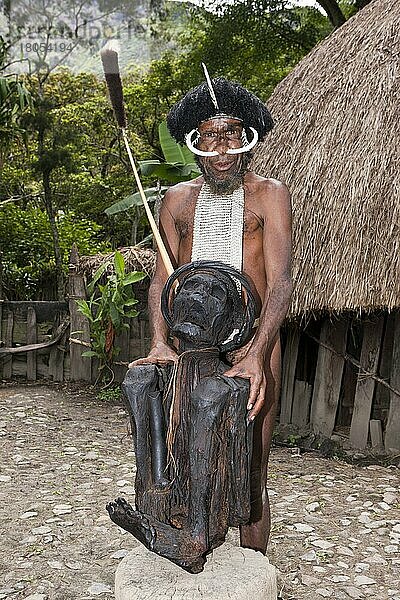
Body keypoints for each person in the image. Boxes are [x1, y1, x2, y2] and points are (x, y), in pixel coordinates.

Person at [130, 74, 293, 554]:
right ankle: (187, 545)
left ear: (246, 140)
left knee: (251, 466)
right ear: (194, 142)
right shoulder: (177, 201)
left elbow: (281, 282)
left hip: (251, 343)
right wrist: (161, 342)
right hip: (190, 347)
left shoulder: (269, 196)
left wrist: (256, 357)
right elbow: (164, 279)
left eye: (230, 134)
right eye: (209, 136)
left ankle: (250, 566)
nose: (220, 148)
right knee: (187, 455)